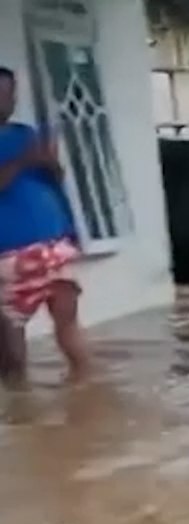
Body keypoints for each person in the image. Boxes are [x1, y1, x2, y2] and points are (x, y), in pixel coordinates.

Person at [0, 66, 89, 388]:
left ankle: (86, 395)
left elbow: (55, 179)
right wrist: (25, 160)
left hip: (53, 244)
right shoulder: (24, 145)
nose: (7, 102)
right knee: (11, 345)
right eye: (1, 95)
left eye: (10, 94)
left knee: (68, 324)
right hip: (9, 253)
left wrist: (49, 161)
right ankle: (20, 406)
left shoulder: (26, 134)